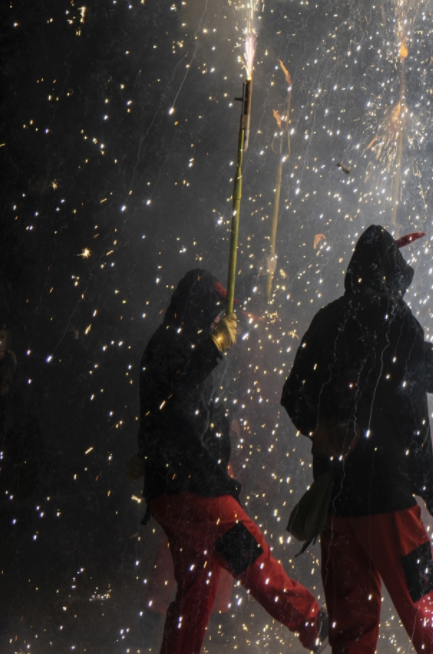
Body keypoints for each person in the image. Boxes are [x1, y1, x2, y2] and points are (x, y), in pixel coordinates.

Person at [281, 226, 433, 654]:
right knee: (427, 611)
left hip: (338, 502)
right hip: (389, 501)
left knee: (351, 630)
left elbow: (292, 393)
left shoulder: (326, 318)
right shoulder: (392, 314)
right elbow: (432, 374)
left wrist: (321, 430)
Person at [137, 269, 323, 653]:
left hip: (174, 488)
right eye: (211, 310)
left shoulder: (174, 341)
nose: (213, 319)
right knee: (251, 556)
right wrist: (214, 346)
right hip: (194, 487)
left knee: (196, 589)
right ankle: (311, 619)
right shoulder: (174, 343)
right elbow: (178, 395)